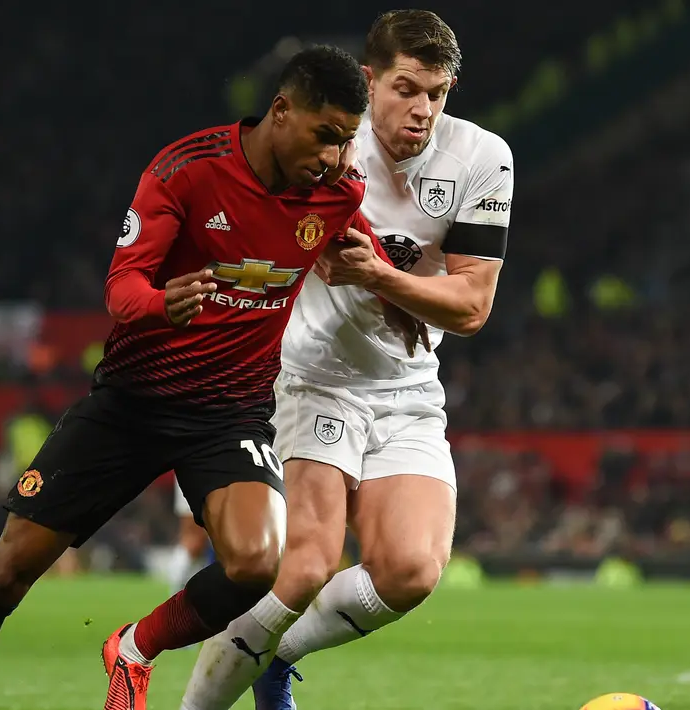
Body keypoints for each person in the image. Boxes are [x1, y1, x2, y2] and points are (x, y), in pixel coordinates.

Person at [0, 45, 400, 710]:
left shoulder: (336, 195)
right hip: (130, 405)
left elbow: (360, 247)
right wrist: (165, 303)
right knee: (8, 571)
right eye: (324, 136)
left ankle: (134, 647)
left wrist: (381, 276)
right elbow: (120, 288)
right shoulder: (186, 170)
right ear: (281, 111)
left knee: (256, 563)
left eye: (346, 141)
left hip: (229, 413)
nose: (335, 158)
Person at [179, 10, 515, 710]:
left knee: (412, 570)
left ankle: (272, 651)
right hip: (310, 380)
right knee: (301, 568)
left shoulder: (482, 159)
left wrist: (378, 277)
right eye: (404, 88)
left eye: (437, 92)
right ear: (368, 80)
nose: (421, 109)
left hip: (408, 392)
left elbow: (472, 307)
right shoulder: (328, 142)